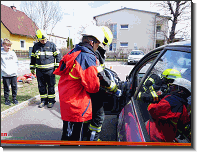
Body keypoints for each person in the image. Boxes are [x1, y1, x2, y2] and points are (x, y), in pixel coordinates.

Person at [83, 26, 122, 141]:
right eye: (103, 44)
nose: (102, 46)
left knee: (91, 116)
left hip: (90, 89)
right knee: (99, 117)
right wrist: (112, 87)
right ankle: (93, 140)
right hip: (95, 90)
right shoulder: (95, 53)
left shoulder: (89, 51)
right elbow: (100, 74)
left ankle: (87, 135)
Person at [146, 77, 191, 142]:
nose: (171, 88)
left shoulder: (171, 101)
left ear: (181, 91)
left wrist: (152, 102)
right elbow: (183, 124)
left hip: (154, 137)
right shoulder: (185, 106)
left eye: (174, 87)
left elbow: (152, 110)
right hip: (166, 139)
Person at [30, 29, 62, 108]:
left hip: (50, 71)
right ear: (38, 39)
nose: (43, 41)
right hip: (39, 71)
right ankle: (43, 100)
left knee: (51, 86)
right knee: (41, 86)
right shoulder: (36, 46)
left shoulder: (52, 45)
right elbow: (33, 58)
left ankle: (51, 101)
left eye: (44, 39)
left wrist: (56, 67)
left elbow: (58, 56)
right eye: (41, 40)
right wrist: (32, 68)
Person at [1, 38, 18, 106]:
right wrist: (4, 70)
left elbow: (16, 62)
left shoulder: (12, 53)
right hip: (5, 74)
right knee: (6, 88)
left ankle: (14, 99)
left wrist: (15, 70)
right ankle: (7, 100)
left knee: (14, 87)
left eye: (10, 46)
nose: (9, 47)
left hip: (13, 74)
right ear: (3, 45)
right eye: (7, 46)